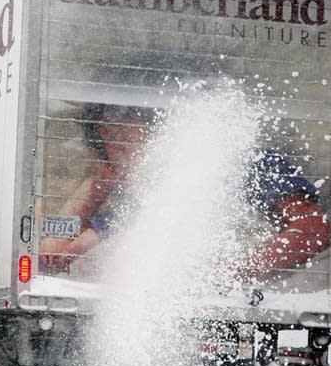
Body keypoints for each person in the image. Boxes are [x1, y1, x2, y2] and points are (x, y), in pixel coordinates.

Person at [39, 103, 329, 280]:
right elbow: (50, 258)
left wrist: (233, 273)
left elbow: (314, 230)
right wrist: (98, 183)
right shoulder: (140, 210)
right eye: (106, 140)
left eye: (122, 133)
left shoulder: (247, 163)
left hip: (262, 305)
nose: (113, 140)